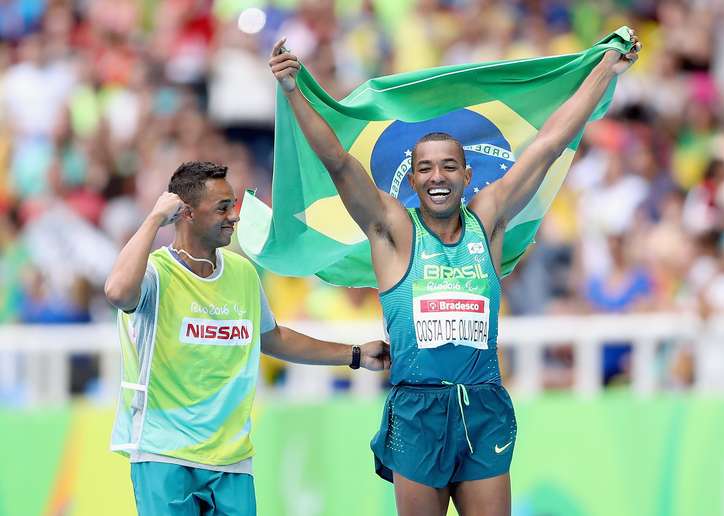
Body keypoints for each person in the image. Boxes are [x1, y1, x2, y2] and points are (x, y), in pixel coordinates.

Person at [269, 30, 641, 516]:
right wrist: (295, 92)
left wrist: (605, 69)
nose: (437, 176)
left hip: (482, 406)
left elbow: (551, 141)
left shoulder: (488, 220)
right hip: (417, 410)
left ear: (468, 176)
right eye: (425, 168)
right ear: (412, 176)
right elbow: (339, 163)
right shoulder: (393, 231)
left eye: (449, 167)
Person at [104, 161, 390, 516]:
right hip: (164, 453)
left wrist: (356, 354)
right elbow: (117, 292)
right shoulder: (154, 274)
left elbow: (275, 338)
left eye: (234, 205)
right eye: (222, 207)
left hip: (232, 459)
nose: (234, 216)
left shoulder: (242, 274)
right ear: (187, 213)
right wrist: (153, 219)